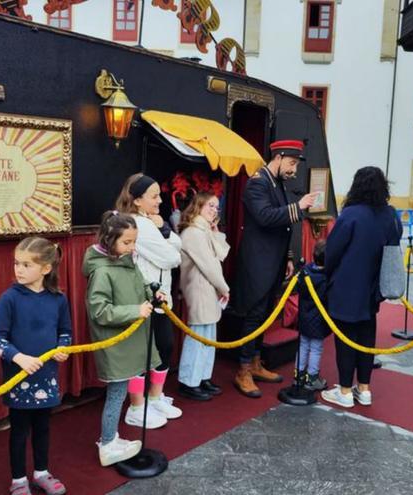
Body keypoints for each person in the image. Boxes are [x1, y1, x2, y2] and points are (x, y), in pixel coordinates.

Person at [232, 140, 318, 398]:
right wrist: (298, 207)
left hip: (275, 260)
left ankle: (256, 362)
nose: (293, 170)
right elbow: (266, 216)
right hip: (258, 261)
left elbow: (284, 225)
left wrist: (289, 256)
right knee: (255, 314)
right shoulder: (257, 182)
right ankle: (243, 369)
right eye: (291, 163)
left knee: (266, 312)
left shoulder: (277, 182)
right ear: (278, 157)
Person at [0, 237, 71, 495]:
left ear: (46, 268)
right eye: (16, 263)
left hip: (46, 376)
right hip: (18, 377)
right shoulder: (9, 299)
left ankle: (41, 472)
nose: (18, 270)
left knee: (43, 427)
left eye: (26, 264)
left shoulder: (58, 299)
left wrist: (62, 349)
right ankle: (18, 480)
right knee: (19, 430)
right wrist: (18, 357)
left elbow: (65, 332)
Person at [84, 211, 164, 466]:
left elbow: (140, 287)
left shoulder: (128, 263)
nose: (132, 247)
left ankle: (112, 438)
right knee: (117, 394)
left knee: (120, 392)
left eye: (134, 242)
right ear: (109, 241)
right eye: (126, 242)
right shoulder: (102, 271)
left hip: (130, 340)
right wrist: (134, 311)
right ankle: (107, 443)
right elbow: (99, 310)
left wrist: (154, 294)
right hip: (116, 344)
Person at [319, 166, 402, 408]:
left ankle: (344, 391)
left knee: (345, 339)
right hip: (373, 288)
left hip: (346, 285)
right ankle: (364, 389)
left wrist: (328, 274)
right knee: (367, 337)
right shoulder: (389, 214)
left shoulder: (351, 214)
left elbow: (333, 251)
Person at [115, 174, 183, 424]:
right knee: (143, 354)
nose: (159, 200)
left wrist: (164, 228)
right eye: (154, 196)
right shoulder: (137, 224)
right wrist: (165, 237)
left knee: (164, 347)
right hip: (143, 297)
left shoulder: (149, 222)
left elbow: (178, 244)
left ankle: (155, 398)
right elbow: (172, 257)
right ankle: (137, 408)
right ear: (137, 201)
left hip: (162, 296)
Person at [177, 192, 231, 401]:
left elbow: (221, 253)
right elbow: (209, 266)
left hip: (208, 289)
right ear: (198, 206)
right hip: (199, 288)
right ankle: (188, 381)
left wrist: (215, 231)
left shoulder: (204, 230)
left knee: (209, 335)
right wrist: (224, 287)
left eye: (216, 207)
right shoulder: (193, 233)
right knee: (197, 336)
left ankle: (202, 377)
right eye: (210, 205)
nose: (214, 210)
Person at [295, 239, 329, 391]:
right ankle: (312, 378)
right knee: (315, 349)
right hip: (318, 320)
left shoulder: (305, 272)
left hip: (304, 317)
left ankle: (299, 375)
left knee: (303, 346)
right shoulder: (326, 278)